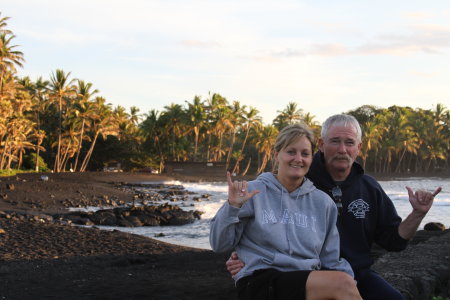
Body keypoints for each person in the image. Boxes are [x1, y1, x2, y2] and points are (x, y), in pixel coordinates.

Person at [226, 114, 442, 300]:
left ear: (358, 147)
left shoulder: (369, 187)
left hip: (355, 274)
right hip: (300, 273)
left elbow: (393, 241)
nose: (342, 149)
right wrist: (243, 255)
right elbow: (258, 210)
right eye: (335, 141)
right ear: (321, 144)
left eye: (349, 143)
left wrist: (417, 214)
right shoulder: (299, 176)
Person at [210, 123, 362, 300]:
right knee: (342, 284)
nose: (298, 159)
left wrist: (351, 282)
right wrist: (232, 207)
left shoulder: (323, 203)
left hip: (307, 282)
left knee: (346, 284)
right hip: (261, 281)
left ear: (311, 159)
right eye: (291, 152)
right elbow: (219, 244)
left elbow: (330, 258)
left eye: (305, 154)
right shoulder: (251, 192)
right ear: (276, 155)